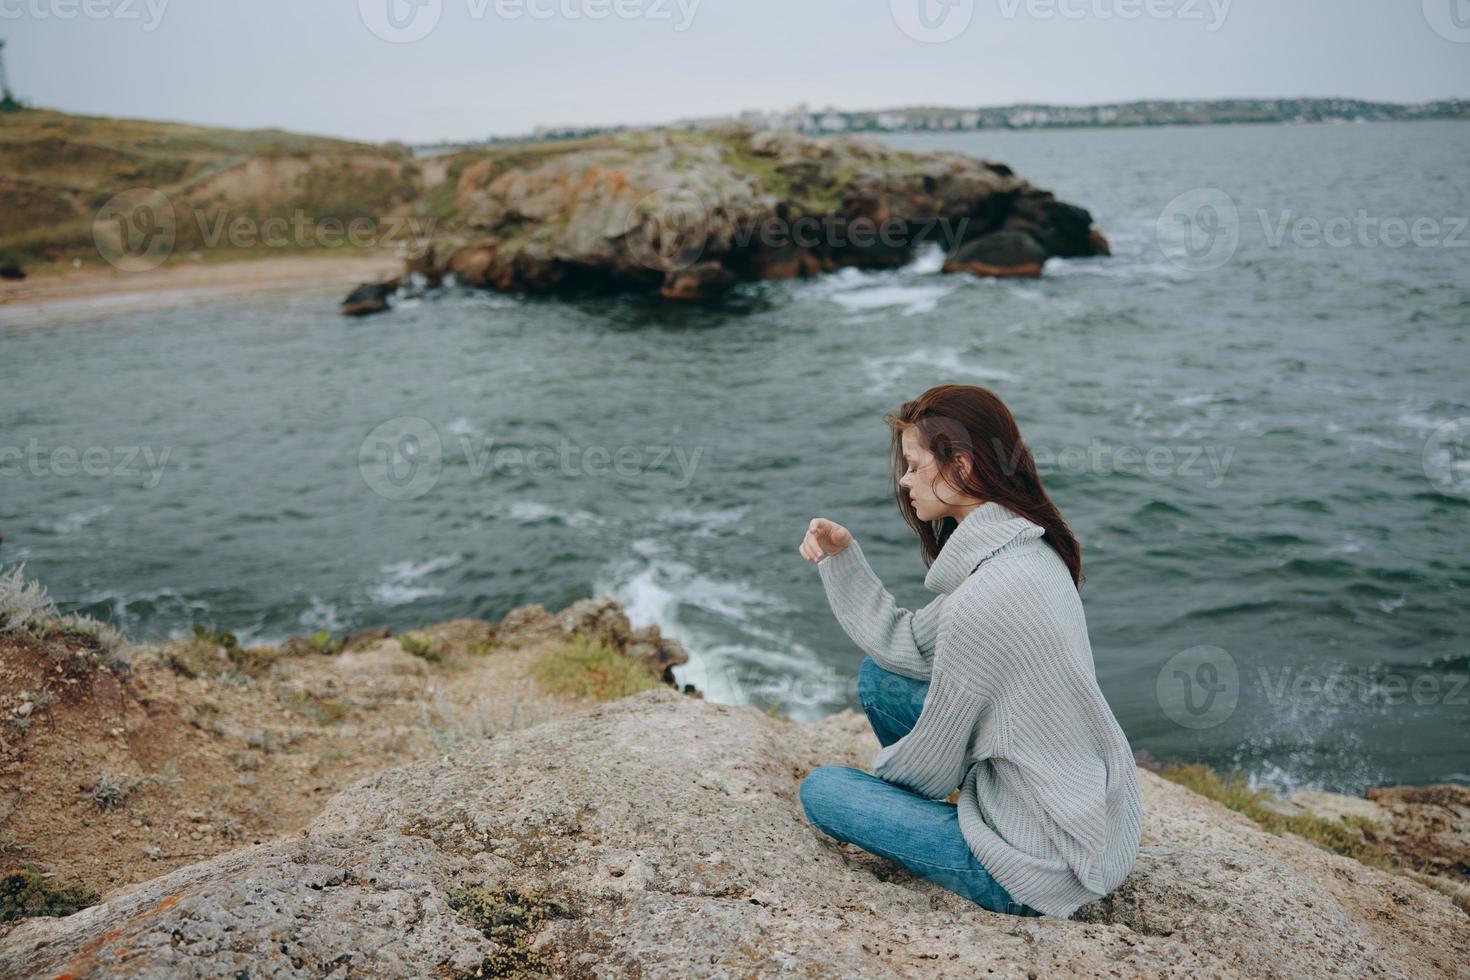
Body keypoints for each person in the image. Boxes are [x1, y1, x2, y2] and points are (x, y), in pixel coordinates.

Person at [795, 383, 1142, 919]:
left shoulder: (985, 598)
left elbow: (930, 766)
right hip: (1077, 809)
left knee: (824, 790)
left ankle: (965, 831)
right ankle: (968, 811)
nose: (906, 481)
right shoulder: (1030, 547)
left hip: (1034, 868)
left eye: (912, 465)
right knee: (878, 679)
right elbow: (904, 645)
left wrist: (879, 790)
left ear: (960, 464)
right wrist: (842, 558)